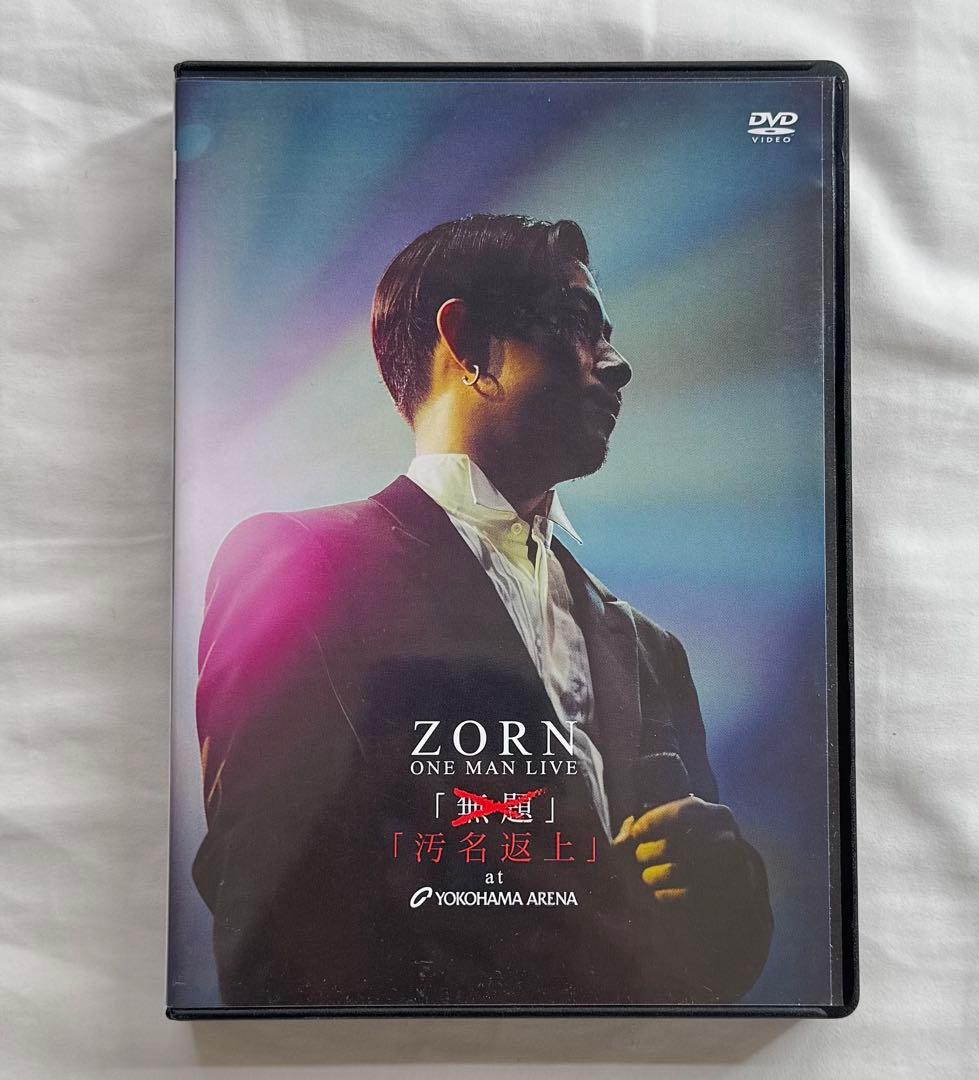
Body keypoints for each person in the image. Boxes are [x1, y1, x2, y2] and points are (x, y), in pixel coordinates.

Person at [192, 213, 773, 1007]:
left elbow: (709, 968)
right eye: (577, 323)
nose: (618, 363)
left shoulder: (649, 650)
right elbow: (264, 916)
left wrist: (731, 894)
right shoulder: (302, 565)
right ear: (465, 342)